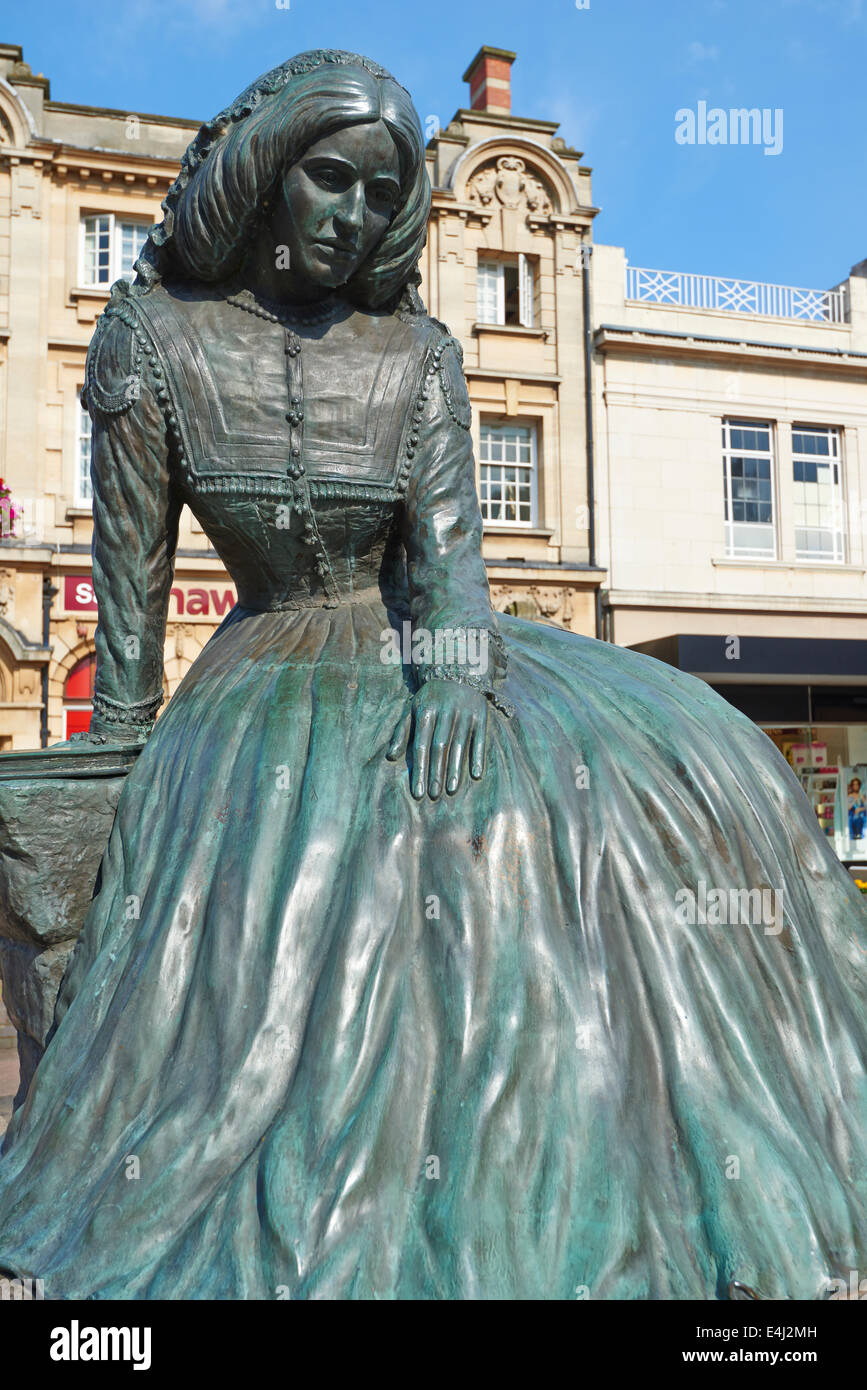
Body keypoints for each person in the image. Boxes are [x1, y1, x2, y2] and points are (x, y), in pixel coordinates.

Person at [1, 50, 867, 1300]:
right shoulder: (150, 341)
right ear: (267, 171)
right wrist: (116, 782)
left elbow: (451, 554)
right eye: (329, 180)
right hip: (264, 671)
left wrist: (460, 679)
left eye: (377, 193)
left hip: (426, 642)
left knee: (628, 782)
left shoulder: (419, 353)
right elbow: (128, 609)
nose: (351, 215)